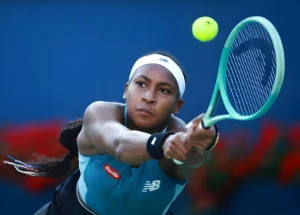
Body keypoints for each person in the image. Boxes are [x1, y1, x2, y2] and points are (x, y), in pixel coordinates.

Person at [4, 51, 219, 215]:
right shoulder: (100, 113)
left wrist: (201, 142)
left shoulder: (179, 132)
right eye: (141, 84)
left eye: (164, 90)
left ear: (177, 105)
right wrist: (162, 143)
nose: (149, 96)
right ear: (126, 90)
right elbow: (120, 143)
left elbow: (194, 157)